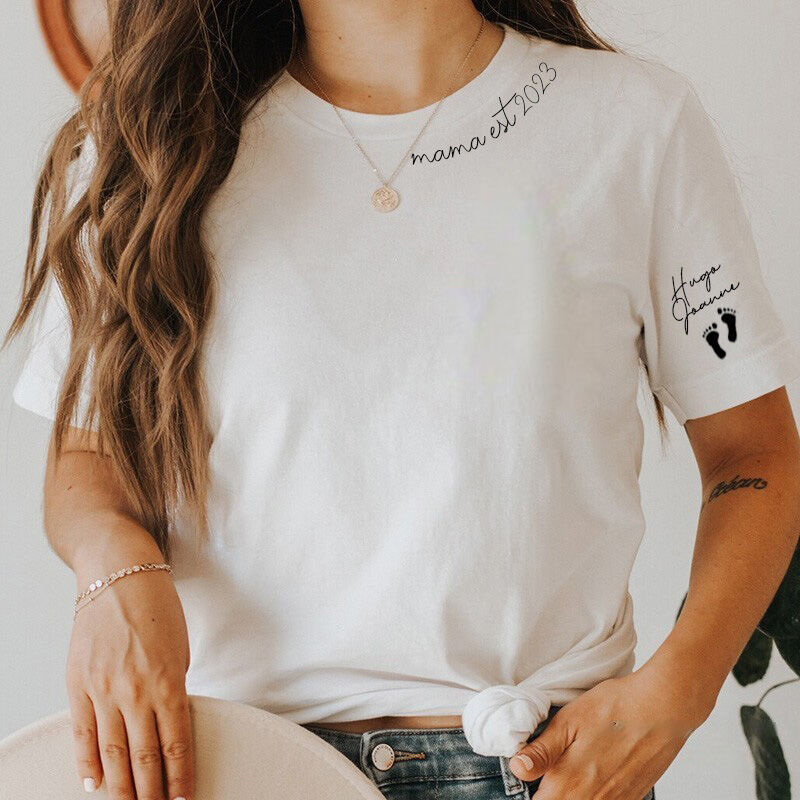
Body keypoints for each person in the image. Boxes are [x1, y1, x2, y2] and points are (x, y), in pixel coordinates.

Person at [5, 1, 800, 799]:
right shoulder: (147, 146)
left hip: (542, 765)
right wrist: (112, 568)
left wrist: (678, 693)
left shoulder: (634, 123)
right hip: (243, 766)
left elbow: (755, 453)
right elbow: (88, 459)